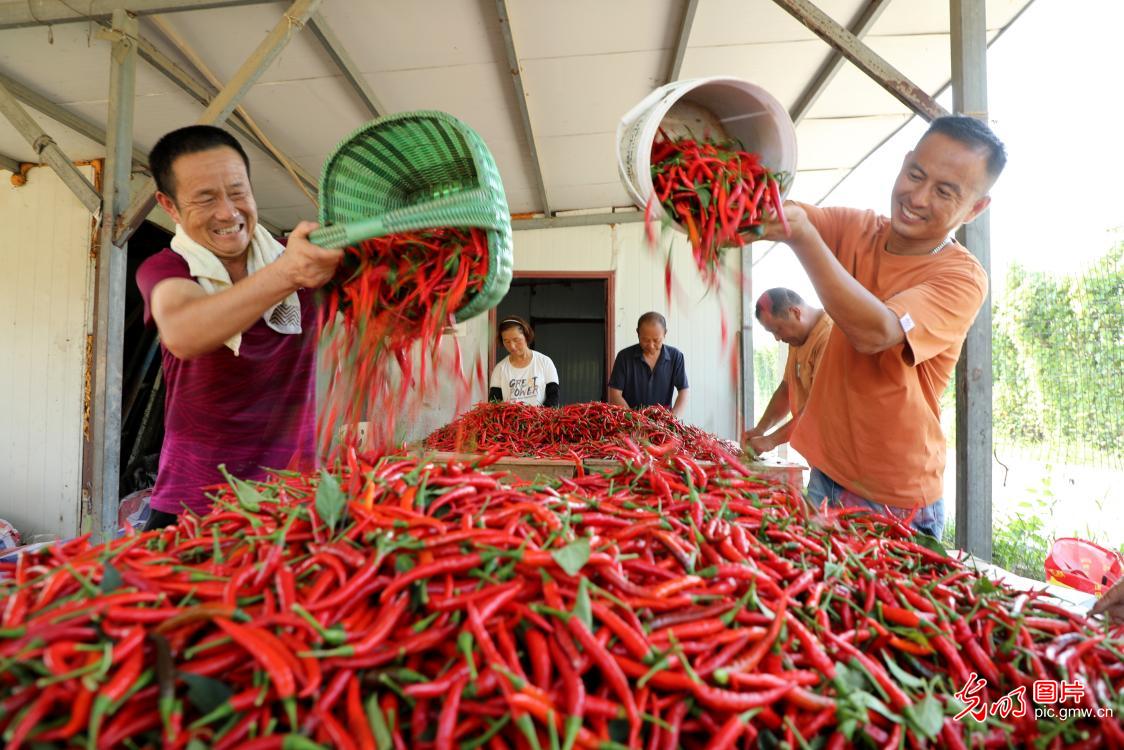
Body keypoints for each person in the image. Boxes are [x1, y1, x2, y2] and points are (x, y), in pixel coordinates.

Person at [760, 115, 1007, 540]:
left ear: (975, 208)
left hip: (893, 496)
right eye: (916, 174)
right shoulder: (858, 229)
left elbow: (876, 332)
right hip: (828, 474)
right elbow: (785, 214)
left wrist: (799, 238)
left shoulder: (961, 277)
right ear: (906, 162)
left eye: (945, 192)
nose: (918, 196)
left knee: (871, 605)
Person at [135, 125, 342, 529]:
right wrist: (287, 274)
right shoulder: (167, 268)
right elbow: (184, 333)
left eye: (238, 192)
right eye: (205, 198)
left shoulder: (299, 259)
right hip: (195, 503)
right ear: (170, 206)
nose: (228, 213)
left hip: (291, 495)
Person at [744, 288, 832, 455]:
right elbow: (786, 389)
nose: (777, 338)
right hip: (819, 456)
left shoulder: (828, 337)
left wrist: (770, 441)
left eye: (777, 329)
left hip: (839, 460)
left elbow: (818, 409)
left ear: (795, 312)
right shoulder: (796, 339)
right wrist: (760, 430)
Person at [608, 312, 689, 417]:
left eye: (657, 340)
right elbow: (615, 393)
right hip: (630, 422)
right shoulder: (624, 357)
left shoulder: (675, 357)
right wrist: (634, 420)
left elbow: (683, 390)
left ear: (665, 334)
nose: (651, 346)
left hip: (663, 423)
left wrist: (673, 418)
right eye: (645, 340)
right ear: (638, 333)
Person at [488, 316, 560, 406]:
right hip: (510, 420)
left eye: (516, 340)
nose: (512, 346)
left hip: (540, 419)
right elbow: (494, 404)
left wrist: (537, 418)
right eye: (506, 341)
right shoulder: (500, 369)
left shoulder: (545, 362)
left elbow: (553, 399)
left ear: (526, 336)